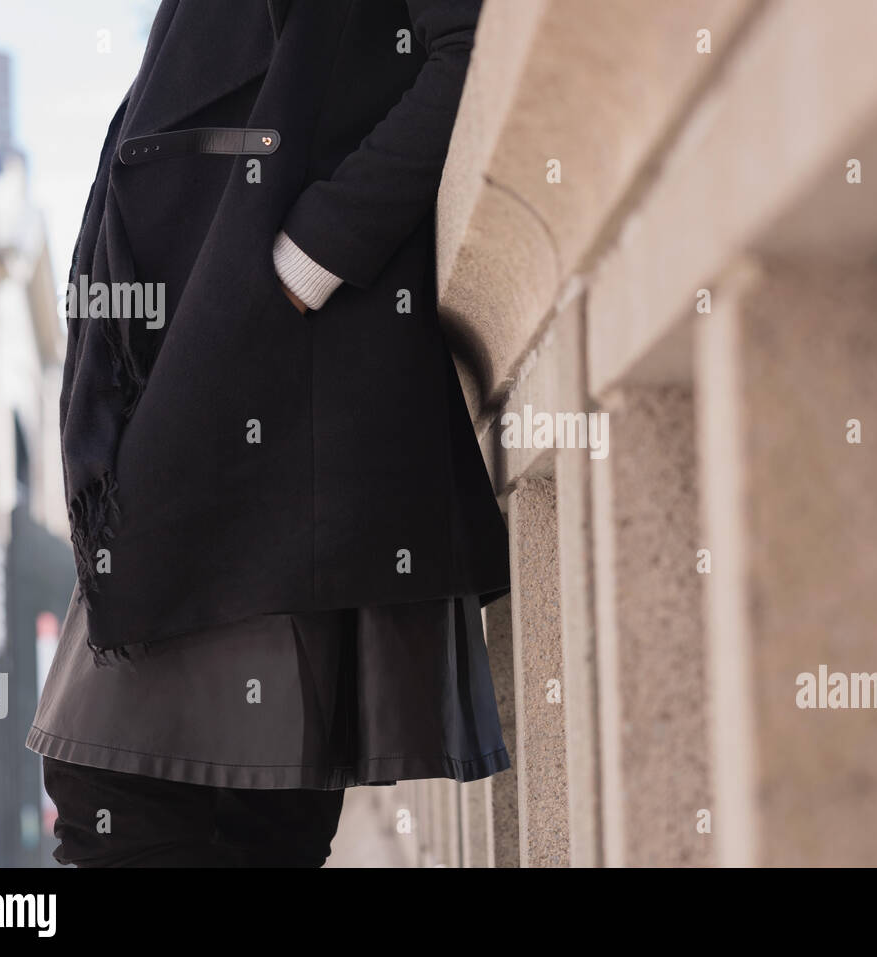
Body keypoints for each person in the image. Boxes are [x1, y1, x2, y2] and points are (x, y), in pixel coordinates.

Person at [26, 0, 512, 868]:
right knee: (207, 811)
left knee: (137, 798)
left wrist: (309, 258)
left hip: (270, 394)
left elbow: (473, 48)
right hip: (192, 390)